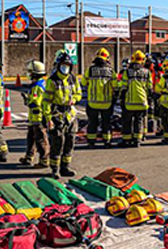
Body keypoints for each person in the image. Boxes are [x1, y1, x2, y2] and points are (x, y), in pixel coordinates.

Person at [44, 51, 82, 179]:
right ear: (58, 65)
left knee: (70, 142)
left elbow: (78, 93)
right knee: (57, 143)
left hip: (70, 115)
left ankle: (65, 167)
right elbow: (46, 102)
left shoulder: (73, 78)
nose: (65, 67)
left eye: (67, 65)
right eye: (63, 64)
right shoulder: (52, 81)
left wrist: (74, 100)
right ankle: (55, 169)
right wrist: (49, 119)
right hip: (57, 115)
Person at [81, 48, 117, 147]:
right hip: (107, 102)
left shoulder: (90, 70)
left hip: (93, 102)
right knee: (106, 123)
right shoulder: (111, 71)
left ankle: (91, 142)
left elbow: (83, 83)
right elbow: (115, 86)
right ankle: (107, 141)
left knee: (92, 123)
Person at [118, 50, 152, 147]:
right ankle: (137, 140)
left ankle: (126, 140)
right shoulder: (147, 72)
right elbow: (149, 87)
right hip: (142, 101)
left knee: (127, 121)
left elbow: (124, 87)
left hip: (130, 102)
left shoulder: (127, 72)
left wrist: (122, 98)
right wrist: (149, 100)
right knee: (139, 121)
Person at [19, 60, 49, 168]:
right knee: (30, 138)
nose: (28, 74)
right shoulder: (38, 84)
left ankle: (44, 160)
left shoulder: (37, 87)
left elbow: (36, 103)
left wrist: (28, 100)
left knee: (40, 139)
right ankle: (29, 157)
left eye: (30, 72)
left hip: (38, 117)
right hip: (33, 118)